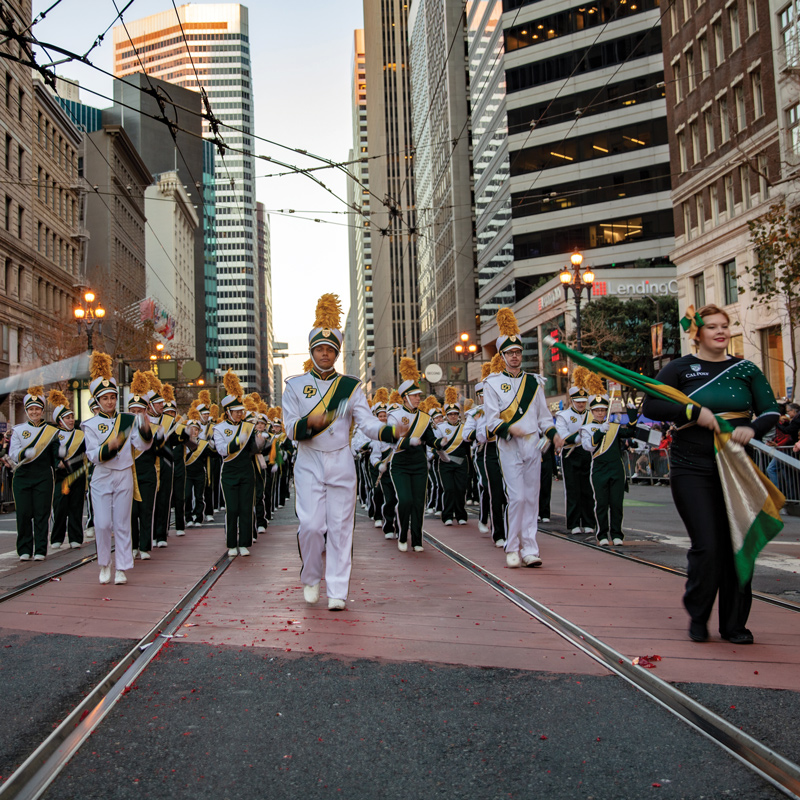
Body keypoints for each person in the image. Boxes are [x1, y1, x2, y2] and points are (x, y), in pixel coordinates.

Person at [642, 303, 780, 645]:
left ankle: (734, 625)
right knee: (707, 545)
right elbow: (652, 406)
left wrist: (753, 427)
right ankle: (699, 615)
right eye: (713, 327)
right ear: (698, 333)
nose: (721, 332)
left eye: (725, 326)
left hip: (738, 466)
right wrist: (691, 409)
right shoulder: (679, 369)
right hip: (692, 466)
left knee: (738, 544)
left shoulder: (746, 369)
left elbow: (771, 410)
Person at [283, 294, 404, 609]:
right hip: (309, 461)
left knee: (340, 528)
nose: (325, 354)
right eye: (320, 349)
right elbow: (290, 428)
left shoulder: (351, 387)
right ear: (311, 352)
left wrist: (391, 431)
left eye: (330, 350)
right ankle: (311, 576)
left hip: (341, 460)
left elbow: (366, 424)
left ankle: (337, 590)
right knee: (311, 527)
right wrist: (314, 421)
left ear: (336, 353)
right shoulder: (294, 387)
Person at [483, 308, 563, 568]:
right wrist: (510, 429)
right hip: (508, 446)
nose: (515, 357)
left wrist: (554, 434)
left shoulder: (534, 382)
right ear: (502, 356)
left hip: (532, 446)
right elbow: (492, 420)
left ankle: (530, 547)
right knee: (516, 497)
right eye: (510, 353)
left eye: (518, 352)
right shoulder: (492, 384)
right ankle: (512, 545)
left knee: (531, 498)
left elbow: (543, 418)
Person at [81, 353, 154, 584]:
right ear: (98, 401)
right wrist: (109, 447)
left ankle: (122, 567)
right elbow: (93, 455)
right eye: (105, 398)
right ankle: (105, 563)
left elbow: (141, 445)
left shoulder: (127, 419)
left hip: (124, 474)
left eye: (113, 397)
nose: (110, 401)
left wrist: (145, 429)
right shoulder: (89, 424)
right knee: (102, 524)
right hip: (102, 477)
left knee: (122, 523)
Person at [387, 359, 441, 552]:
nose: (418, 399)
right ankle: (402, 533)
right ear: (405, 398)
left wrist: (439, 444)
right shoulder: (394, 415)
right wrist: (408, 441)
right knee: (406, 500)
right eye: (414, 396)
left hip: (419, 463)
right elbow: (391, 440)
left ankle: (417, 540)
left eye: (419, 395)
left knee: (419, 503)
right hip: (400, 463)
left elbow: (430, 438)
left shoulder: (425, 418)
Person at [214, 369, 268, 557]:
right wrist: (238, 440)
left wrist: (260, 442)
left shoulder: (248, 426)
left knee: (246, 507)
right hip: (229, 472)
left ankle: (244, 542)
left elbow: (254, 449)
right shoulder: (219, 428)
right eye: (236, 412)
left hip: (246, 471)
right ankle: (231, 544)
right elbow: (222, 450)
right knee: (233, 508)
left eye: (241, 411)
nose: (239, 414)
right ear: (227, 412)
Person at [8, 386, 60, 561]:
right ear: (26, 411)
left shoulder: (51, 431)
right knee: (23, 513)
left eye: (37, 409)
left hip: (43, 476)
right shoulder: (17, 430)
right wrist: (24, 453)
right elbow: (13, 453)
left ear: (42, 410)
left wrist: (60, 460)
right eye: (31, 409)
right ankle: (24, 549)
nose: (34, 412)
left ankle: (40, 549)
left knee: (41, 513)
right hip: (22, 476)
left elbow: (56, 454)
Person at [580, 391, 638, 546]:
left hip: (616, 469)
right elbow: (588, 446)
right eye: (597, 410)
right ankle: (602, 534)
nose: (600, 413)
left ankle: (617, 534)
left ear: (607, 411)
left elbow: (631, 432)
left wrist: (632, 416)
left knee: (617, 503)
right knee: (602, 503)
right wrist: (600, 432)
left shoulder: (614, 427)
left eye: (603, 410)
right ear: (592, 412)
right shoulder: (586, 428)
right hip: (599, 470)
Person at [555, 373, 595, 534]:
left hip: (587, 453)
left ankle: (588, 522)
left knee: (587, 489)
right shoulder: (563, 416)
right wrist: (580, 435)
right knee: (572, 489)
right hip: (570, 454)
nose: (581, 405)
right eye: (578, 402)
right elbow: (563, 437)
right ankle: (573, 523)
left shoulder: (592, 415)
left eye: (584, 402)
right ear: (572, 401)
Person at [48, 389, 85, 550]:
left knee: (76, 508)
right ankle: (57, 537)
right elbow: (52, 454)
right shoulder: (54, 435)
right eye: (67, 418)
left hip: (78, 475)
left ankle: (76, 537)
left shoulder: (81, 434)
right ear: (60, 421)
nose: (71, 420)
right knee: (60, 507)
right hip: (62, 477)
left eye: (71, 417)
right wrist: (58, 463)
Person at [128, 372, 159, 561]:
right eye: (133, 411)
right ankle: (132, 545)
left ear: (145, 411)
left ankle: (145, 546)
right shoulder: (121, 427)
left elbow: (156, 450)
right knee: (130, 512)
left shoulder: (154, 428)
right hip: (128, 474)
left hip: (147, 473)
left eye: (140, 411)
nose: (136, 414)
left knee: (146, 510)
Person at [434, 386, 470, 526]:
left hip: (461, 462)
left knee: (461, 489)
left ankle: (461, 514)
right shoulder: (441, 427)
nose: (453, 416)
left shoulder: (464, 427)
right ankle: (447, 515)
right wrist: (440, 446)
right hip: (445, 462)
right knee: (448, 489)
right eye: (450, 414)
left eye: (455, 414)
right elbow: (435, 444)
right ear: (446, 416)